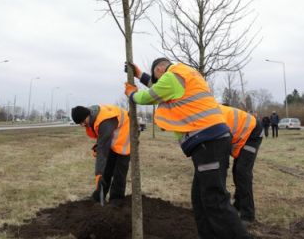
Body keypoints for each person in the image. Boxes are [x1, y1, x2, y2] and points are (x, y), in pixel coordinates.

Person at [126, 58, 250, 239]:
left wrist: (132, 94)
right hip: (210, 141)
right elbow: (162, 87)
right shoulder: (187, 74)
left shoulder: (173, 76)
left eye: (156, 77)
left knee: (215, 199)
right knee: (200, 199)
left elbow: (150, 95)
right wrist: (141, 75)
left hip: (209, 142)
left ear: (160, 68)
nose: (158, 81)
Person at [71, 104, 131, 206]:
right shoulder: (94, 115)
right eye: (79, 123)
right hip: (114, 137)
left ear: (87, 115)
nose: (82, 125)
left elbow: (103, 151)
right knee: (107, 169)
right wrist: (98, 146)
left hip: (126, 137)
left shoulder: (104, 121)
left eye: (82, 121)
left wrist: (98, 173)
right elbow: (103, 138)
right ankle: (99, 196)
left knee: (119, 172)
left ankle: (116, 199)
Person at [220, 104, 263, 223]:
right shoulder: (209, 113)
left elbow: (223, 144)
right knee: (237, 171)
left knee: (242, 172)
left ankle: (248, 215)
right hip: (242, 134)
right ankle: (238, 204)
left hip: (253, 131)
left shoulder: (214, 118)